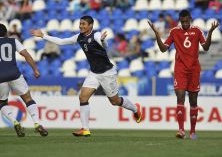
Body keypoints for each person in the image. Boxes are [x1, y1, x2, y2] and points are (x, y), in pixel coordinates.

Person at [31, 16, 142, 137]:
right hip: (94, 73)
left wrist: (103, 40)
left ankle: (135, 109)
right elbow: (62, 41)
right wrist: (43, 35)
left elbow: (103, 43)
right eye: (80, 24)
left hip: (107, 73)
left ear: (91, 25)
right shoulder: (79, 37)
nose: (81, 26)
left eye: (83, 24)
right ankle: (85, 129)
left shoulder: (96, 35)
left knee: (115, 101)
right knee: (83, 97)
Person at [148, 10, 219, 140]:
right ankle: (181, 130)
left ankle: (192, 131)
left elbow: (206, 48)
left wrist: (210, 33)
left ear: (190, 19)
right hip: (180, 69)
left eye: (187, 21)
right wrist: (157, 35)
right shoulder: (174, 31)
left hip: (194, 70)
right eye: (183, 21)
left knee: (193, 101)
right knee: (180, 97)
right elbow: (164, 49)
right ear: (180, 20)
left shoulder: (197, 31)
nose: (185, 24)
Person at [0, 23, 48, 137]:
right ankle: (37, 123)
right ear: (6, 33)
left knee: (3, 103)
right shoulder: (13, 41)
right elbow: (26, 55)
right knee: (28, 98)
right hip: (14, 74)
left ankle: (15, 121)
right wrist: (35, 69)